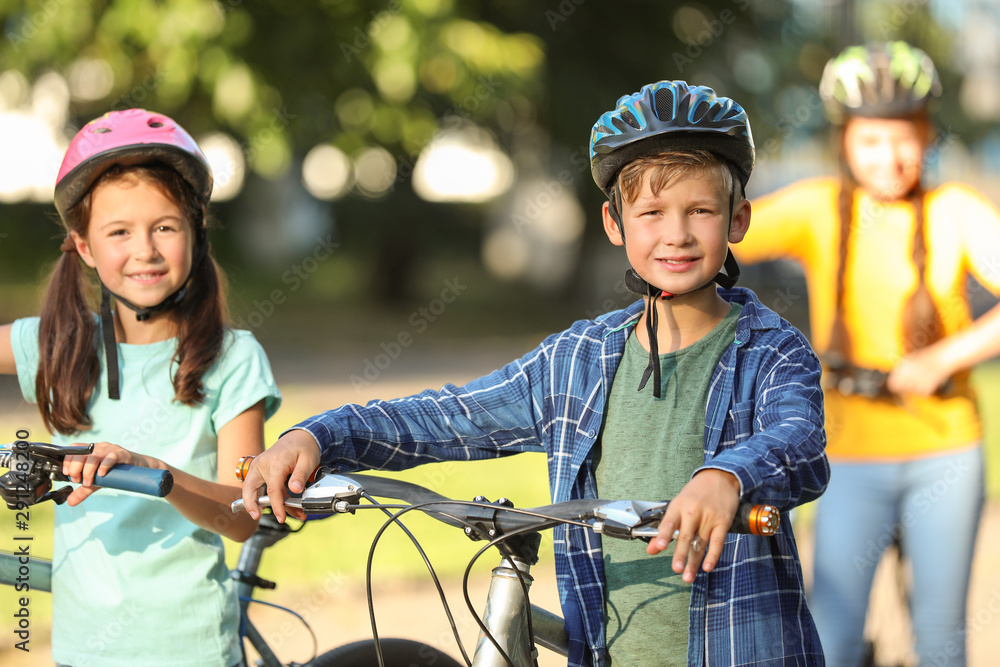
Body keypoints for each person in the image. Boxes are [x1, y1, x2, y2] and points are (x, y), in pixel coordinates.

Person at [239, 80, 830, 666]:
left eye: (699, 210)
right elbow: (450, 415)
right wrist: (318, 436)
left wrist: (726, 477)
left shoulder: (772, 352)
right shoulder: (577, 360)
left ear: (737, 219)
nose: (675, 233)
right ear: (614, 223)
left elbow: (799, 442)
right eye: (651, 212)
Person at [734, 41, 1000, 666]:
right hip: (846, 456)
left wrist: (943, 359)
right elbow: (720, 228)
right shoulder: (817, 207)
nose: (890, 157)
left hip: (946, 451)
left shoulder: (956, 211)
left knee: (940, 640)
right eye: (872, 141)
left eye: (905, 138)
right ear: (845, 140)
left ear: (929, 134)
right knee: (834, 635)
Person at [0, 109, 282, 667]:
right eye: (119, 232)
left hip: (189, 648)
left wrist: (154, 471)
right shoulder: (60, 346)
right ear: (83, 247)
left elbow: (242, 515)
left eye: (165, 227)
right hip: (82, 650)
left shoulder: (232, 359)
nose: (145, 250)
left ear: (196, 232)